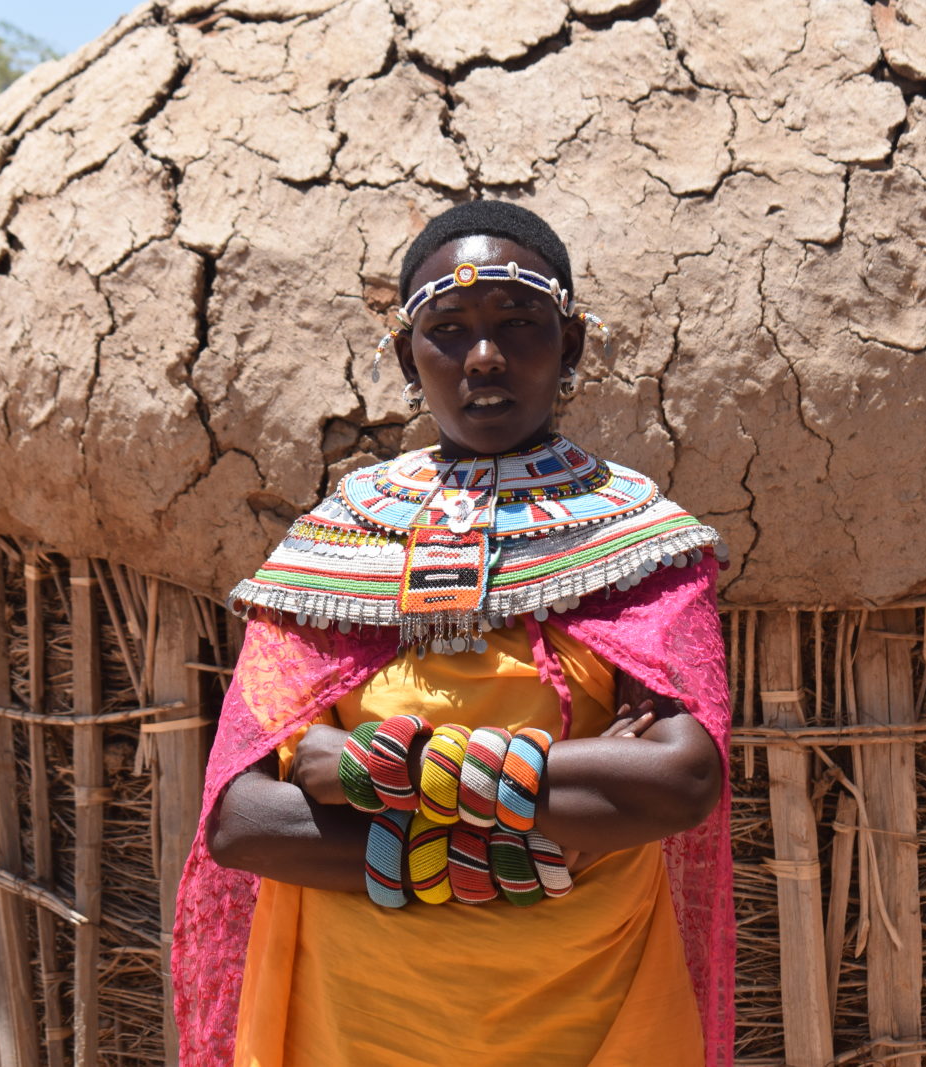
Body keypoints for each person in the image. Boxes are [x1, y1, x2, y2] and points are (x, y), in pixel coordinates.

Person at [172, 201, 734, 1065]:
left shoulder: (638, 543)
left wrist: (368, 768)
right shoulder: (332, 549)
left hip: (585, 1004)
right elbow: (243, 819)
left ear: (571, 344)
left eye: (519, 322)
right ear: (407, 354)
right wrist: (541, 832)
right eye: (448, 329)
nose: (484, 355)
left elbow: (683, 778)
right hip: (363, 1015)